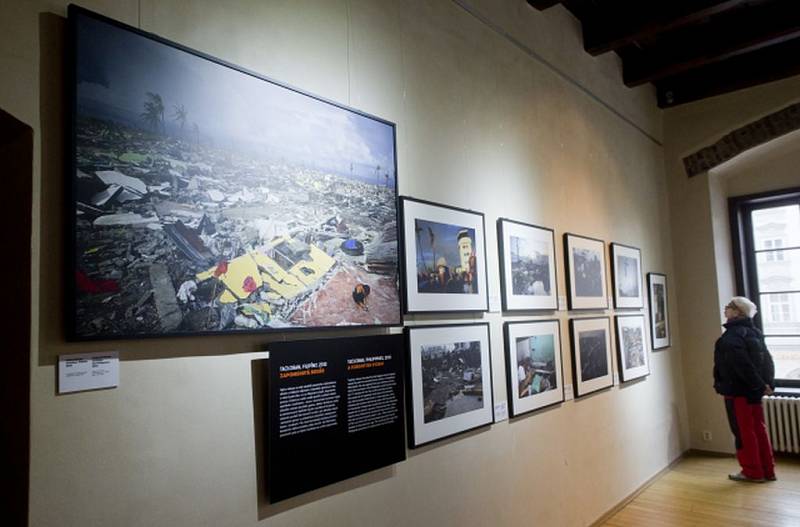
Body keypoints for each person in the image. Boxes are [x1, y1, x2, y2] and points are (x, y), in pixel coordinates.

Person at [713, 296, 776, 483]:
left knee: (743, 432)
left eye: (729, 307)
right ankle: (768, 470)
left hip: (738, 392)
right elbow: (768, 361)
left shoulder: (732, 336)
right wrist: (767, 384)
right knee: (758, 429)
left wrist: (759, 384)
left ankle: (753, 472)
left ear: (738, 312)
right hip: (754, 391)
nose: (725, 309)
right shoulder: (754, 332)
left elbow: (741, 365)